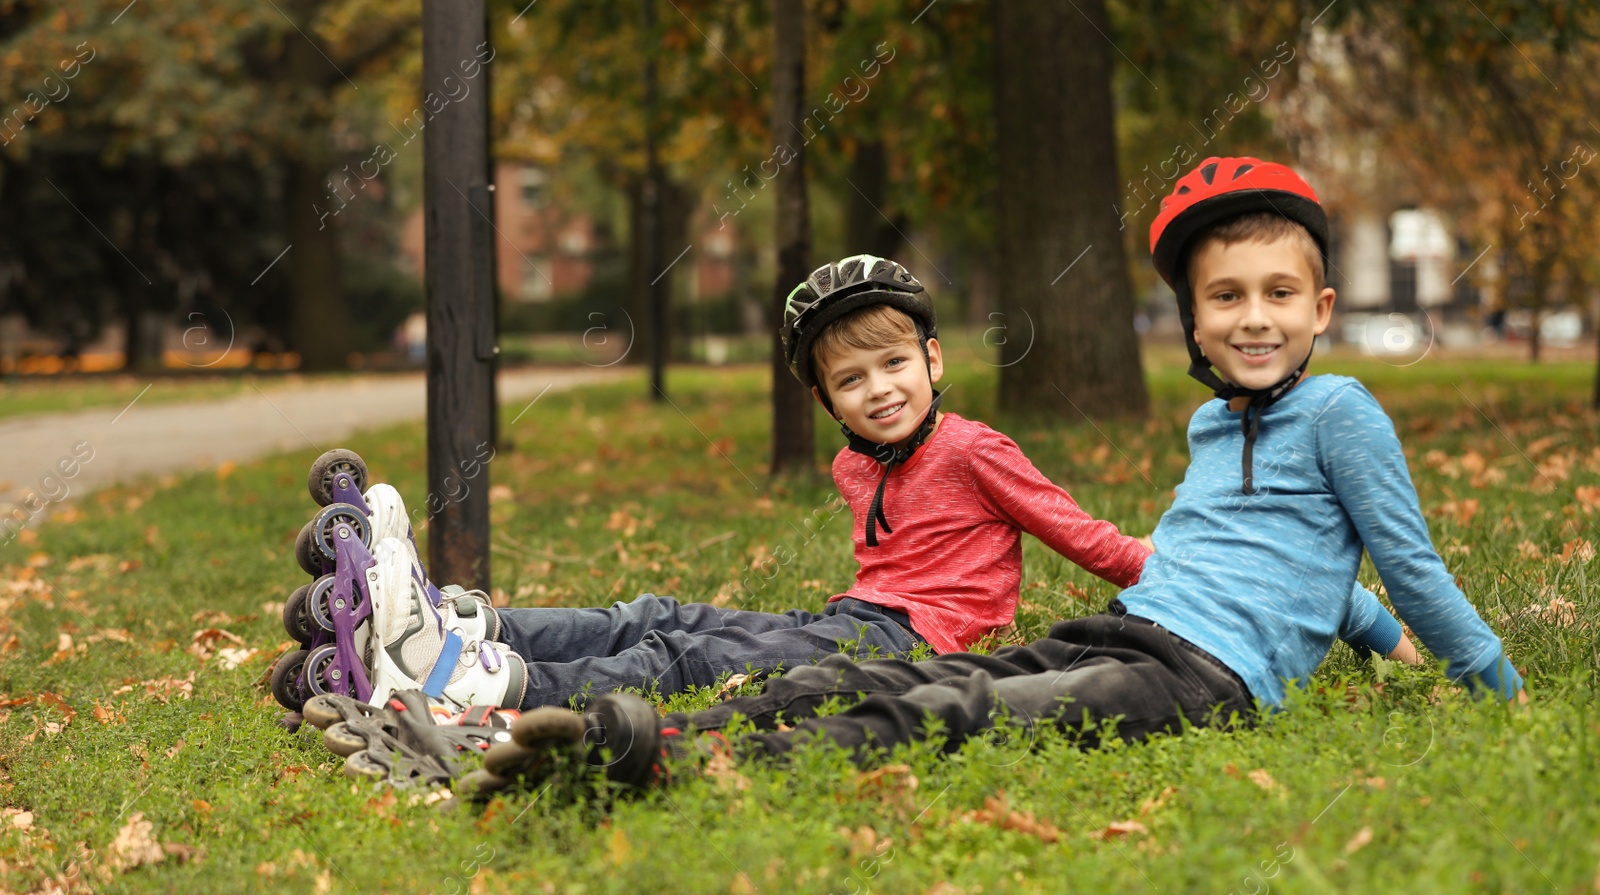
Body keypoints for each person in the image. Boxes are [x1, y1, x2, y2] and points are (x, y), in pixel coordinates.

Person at [464, 156, 1517, 797]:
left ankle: (668, 766)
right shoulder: (1211, 423)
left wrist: (1487, 681)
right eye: (1227, 295)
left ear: (1320, 309)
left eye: (1278, 293)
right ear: (1192, 320)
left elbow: (1404, 560)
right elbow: (1298, 566)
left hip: (1202, 681)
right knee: (888, 676)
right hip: (1131, 624)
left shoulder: (1342, 411)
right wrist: (1379, 640)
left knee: (955, 711)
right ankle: (602, 728)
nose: (1252, 316)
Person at [285, 254, 1154, 725]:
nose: (880, 390)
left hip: (917, 649)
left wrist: (1168, 573)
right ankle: (466, 625)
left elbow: (1075, 531)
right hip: (858, 619)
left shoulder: (976, 449)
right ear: (824, 400)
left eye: (895, 364)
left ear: (933, 358)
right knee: (661, 614)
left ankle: (487, 682)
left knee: (692, 657)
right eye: (852, 380)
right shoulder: (856, 464)